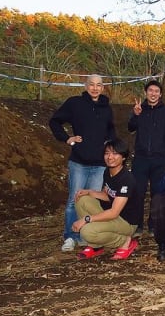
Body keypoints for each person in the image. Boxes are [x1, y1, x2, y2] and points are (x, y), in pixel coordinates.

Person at [49, 74, 117, 252]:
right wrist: (67, 139)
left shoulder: (106, 108)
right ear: (86, 86)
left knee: (91, 201)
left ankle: (87, 236)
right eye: (91, 85)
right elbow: (55, 121)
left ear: (103, 87)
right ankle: (71, 237)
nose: (95, 88)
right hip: (79, 162)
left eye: (99, 85)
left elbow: (111, 130)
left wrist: (109, 148)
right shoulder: (75, 103)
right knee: (74, 200)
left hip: (99, 164)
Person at [72, 138, 139, 260]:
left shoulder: (127, 180)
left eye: (115, 153)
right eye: (107, 153)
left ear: (123, 157)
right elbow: (108, 196)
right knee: (82, 199)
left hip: (127, 223)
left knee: (87, 232)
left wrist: (87, 219)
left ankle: (125, 241)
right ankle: (96, 246)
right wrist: (89, 192)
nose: (110, 157)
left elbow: (114, 212)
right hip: (114, 217)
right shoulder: (108, 172)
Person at [127, 80, 165, 234]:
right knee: (138, 192)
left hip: (159, 159)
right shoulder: (140, 109)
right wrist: (135, 115)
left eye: (156, 91)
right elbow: (130, 128)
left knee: (157, 193)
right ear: (146, 92)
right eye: (150, 90)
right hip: (140, 158)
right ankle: (137, 225)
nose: (153, 93)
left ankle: (154, 224)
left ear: (160, 94)